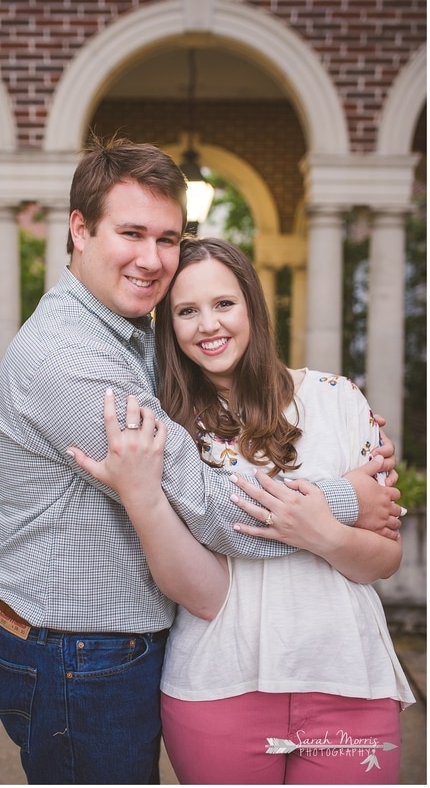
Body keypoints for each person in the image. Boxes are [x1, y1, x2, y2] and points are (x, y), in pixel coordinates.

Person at [0, 137, 402, 785]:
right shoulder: (72, 359)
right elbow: (208, 507)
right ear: (79, 229)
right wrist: (349, 496)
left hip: (107, 650)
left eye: (168, 238)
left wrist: (336, 413)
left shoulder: (126, 340)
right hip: (75, 657)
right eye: (131, 233)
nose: (151, 259)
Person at [69, 236, 414, 785]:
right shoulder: (168, 432)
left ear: (252, 304)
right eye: (186, 311)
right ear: (169, 327)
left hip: (349, 682)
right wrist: (144, 496)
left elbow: (383, 559)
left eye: (224, 304)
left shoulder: (339, 398)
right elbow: (195, 589)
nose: (208, 325)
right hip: (218, 686)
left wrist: (321, 533)